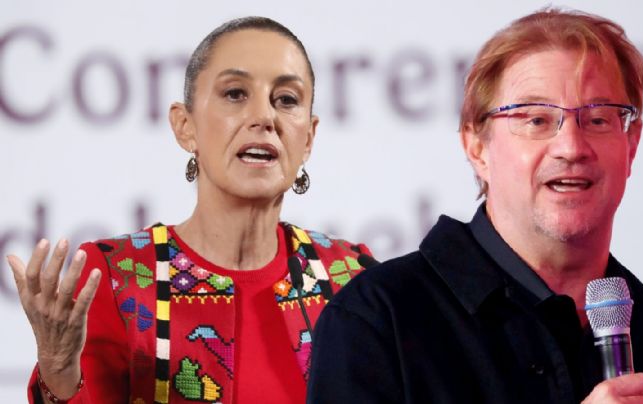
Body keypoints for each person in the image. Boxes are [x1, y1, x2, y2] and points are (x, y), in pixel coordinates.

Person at [307, 8, 643, 404]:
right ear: (476, 146)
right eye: (536, 120)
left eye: (598, 119)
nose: (571, 147)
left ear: (631, 144)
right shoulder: (376, 319)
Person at [8, 17, 372, 404]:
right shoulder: (117, 277)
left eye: (286, 99)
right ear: (185, 126)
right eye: (235, 93)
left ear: (309, 138)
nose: (265, 118)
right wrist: (59, 371)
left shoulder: (352, 279)